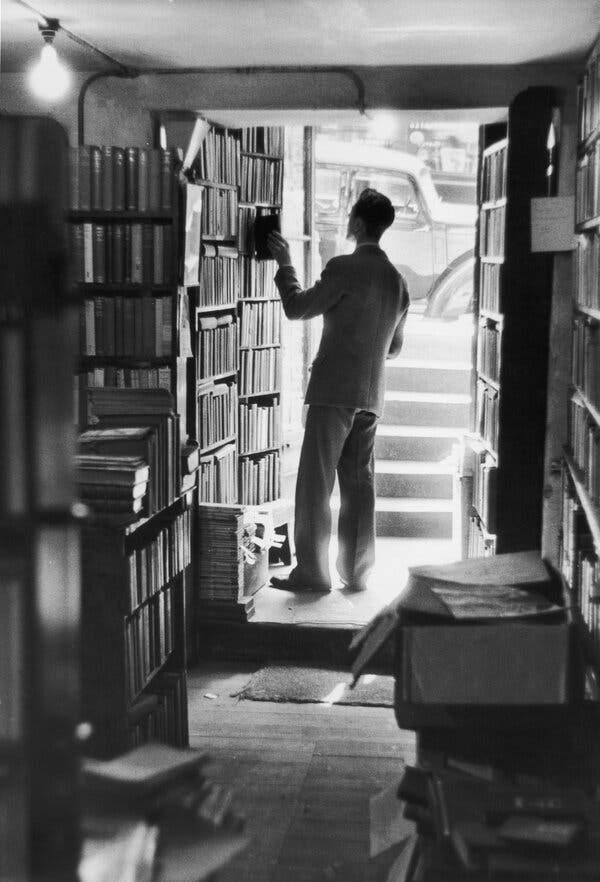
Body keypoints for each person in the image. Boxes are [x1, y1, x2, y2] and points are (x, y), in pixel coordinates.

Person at [267, 188, 410, 593]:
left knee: (316, 483)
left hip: (333, 392)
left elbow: (297, 307)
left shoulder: (343, 267)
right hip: (371, 396)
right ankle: (357, 572)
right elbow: (395, 348)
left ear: (359, 224)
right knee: (360, 485)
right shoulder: (398, 282)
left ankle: (312, 573)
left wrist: (285, 264)